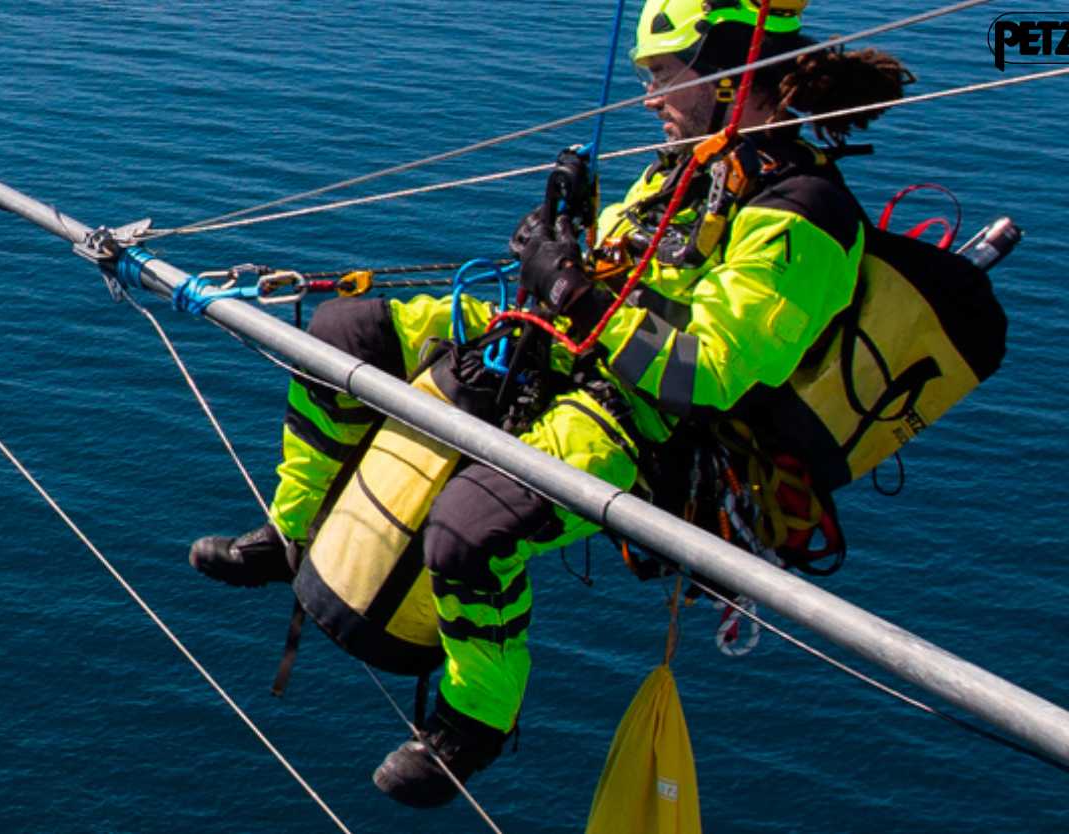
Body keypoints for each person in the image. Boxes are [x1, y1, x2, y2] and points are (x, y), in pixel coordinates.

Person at [188, 0, 912, 809]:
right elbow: (612, 274)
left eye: (661, 77)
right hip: (560, 349)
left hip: (641, 419)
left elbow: (705, 372)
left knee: (468, 530)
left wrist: (566, 283)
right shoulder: (690, 164)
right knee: (342, 332)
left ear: (729, 73)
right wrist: (557, 242)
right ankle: (293, 532)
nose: (648, 99)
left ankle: (475, 721)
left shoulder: (802, 215)